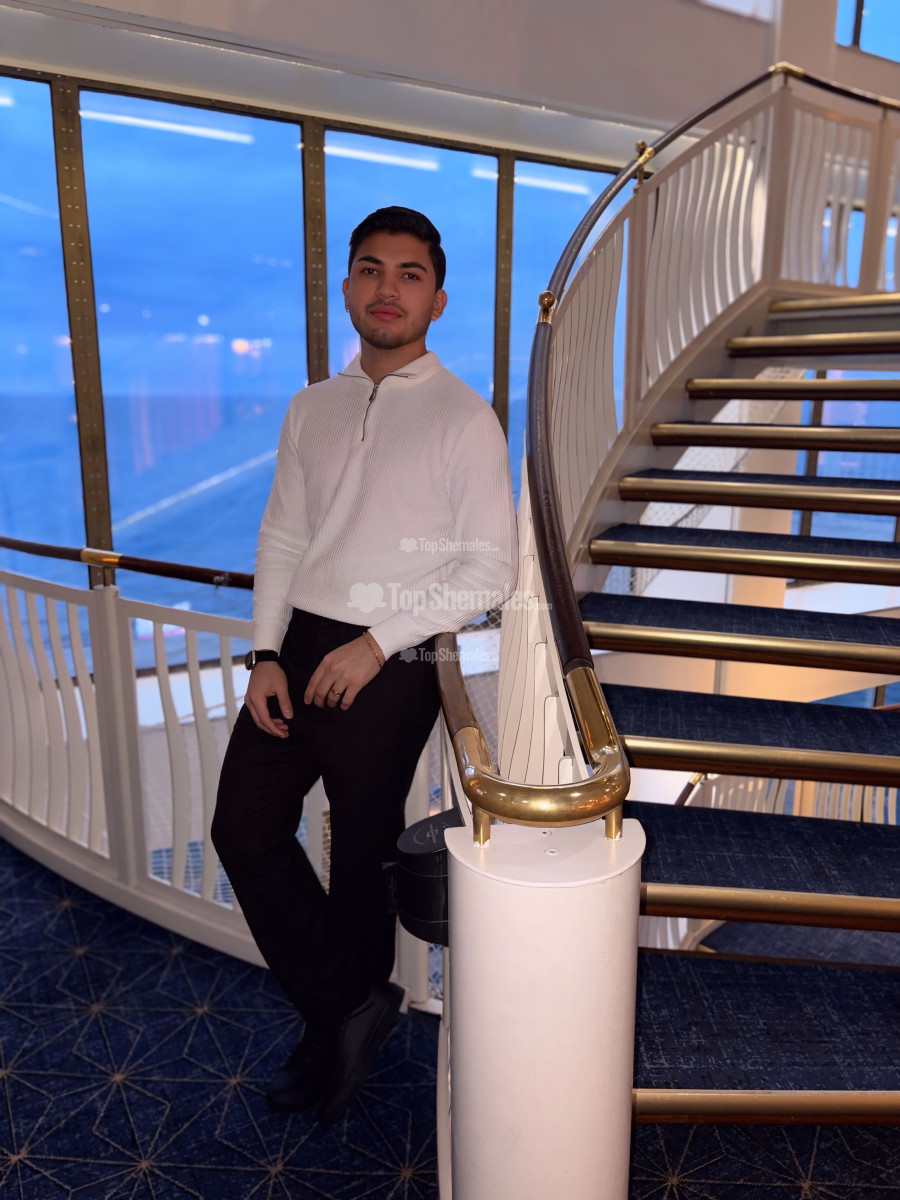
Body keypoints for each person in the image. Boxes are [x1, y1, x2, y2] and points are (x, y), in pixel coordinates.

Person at [211, 206, 517, 1126]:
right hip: (300, 642)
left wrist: (378, 642)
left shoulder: (465, 418)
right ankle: (348, 1002)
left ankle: (333, 1031)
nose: (389, 288)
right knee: (242, 829)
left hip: (394, 656)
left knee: (360, 852)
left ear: (437, 298)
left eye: (410, 274)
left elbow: (490, 569)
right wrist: (267, 650)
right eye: (372, 269)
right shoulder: (313, 405)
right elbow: (283, 535)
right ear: (347, 287)